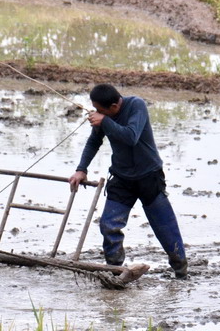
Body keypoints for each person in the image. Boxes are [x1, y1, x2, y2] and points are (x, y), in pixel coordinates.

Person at [67, 84, 188, 279]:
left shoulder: (136, 106)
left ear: (115, 106)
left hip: (149, 177)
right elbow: (93, 142)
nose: (97, 113)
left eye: (101, 110)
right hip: (122, 178)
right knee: (109, 225)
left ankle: (181, 271)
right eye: (95, 109)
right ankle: (114, 271)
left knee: (165, 228)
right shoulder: (105, 117)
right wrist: (81, 169)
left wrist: (104, 121)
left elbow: (131, 136)